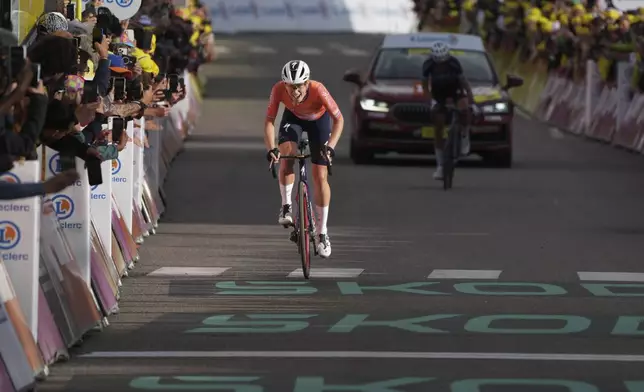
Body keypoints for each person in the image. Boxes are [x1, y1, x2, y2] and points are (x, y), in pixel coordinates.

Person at [263, 60, 344, 259]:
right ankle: (286, 206)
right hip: (293, 119)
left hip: (319, 122)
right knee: (287, 155)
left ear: (307, 83)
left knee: (320, 176)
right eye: (290, 86)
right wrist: (271, 148)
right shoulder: (278, 89)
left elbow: (339, 119)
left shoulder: (318, 90)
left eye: (298, 86)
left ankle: (322, 232)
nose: (294, 91)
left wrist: (330, 147)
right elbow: (269, 121)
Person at [421, 41, 478, 180]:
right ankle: (440, 166)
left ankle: (464, 135)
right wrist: (431, 101)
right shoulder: (428, 65)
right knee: (438, 126)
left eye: (443, 62)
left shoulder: (454, 63)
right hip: (439, 95)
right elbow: (425, 86)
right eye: (438, 62)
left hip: (455, 92)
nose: (441, 65)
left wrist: (471, 99)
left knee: (464, 109)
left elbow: (464, 82)